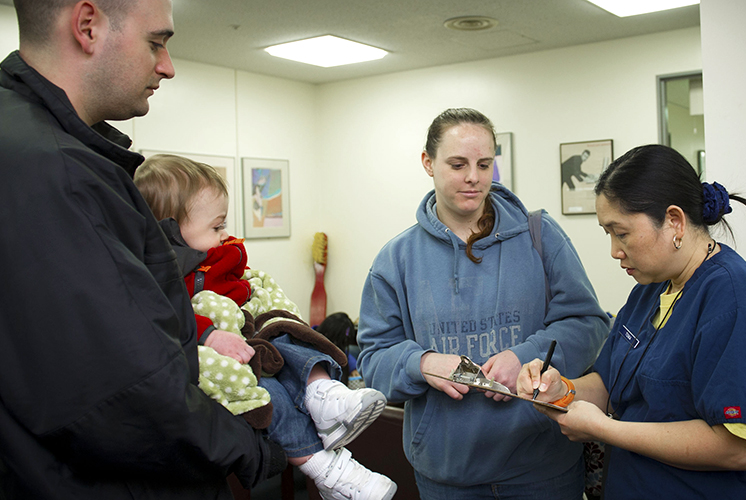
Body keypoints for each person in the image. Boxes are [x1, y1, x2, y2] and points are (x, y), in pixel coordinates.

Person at [0, 1, 286, 498]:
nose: (168, 66)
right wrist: (256, 446)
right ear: (87, 26)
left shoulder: (31, 145)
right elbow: (129, 389)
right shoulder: (57, 172)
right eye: (156, 42)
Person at [357, 108, 610, 499]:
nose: (474, 177)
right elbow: (373, 362)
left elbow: (587, 323)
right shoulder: (395, 260)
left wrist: (526, 355)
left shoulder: (540, 236)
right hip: (448, 474)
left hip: (543, 467)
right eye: (457, 164)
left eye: (484, 164)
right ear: (428, 163)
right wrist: (422, 364)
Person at [134, 154, 397, 500]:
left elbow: (247, 285)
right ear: (171, 230)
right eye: (216, 227)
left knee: (289, 333)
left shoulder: (217, 257)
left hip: (250, 327)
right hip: (227, 354)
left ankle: (324, 395)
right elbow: (169, 312)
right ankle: (324, 469)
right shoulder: (164, 273)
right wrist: (209, 334)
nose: (225, 234)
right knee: (265, 392)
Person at [518, 144, 746, 499]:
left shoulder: (730, 295)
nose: (614, 250)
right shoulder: (650, 289)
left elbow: (734, 447)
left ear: (674, 221)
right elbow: (609, 384)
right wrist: (562, 390)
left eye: (621, 233)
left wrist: (605, 430)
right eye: (607, 233)